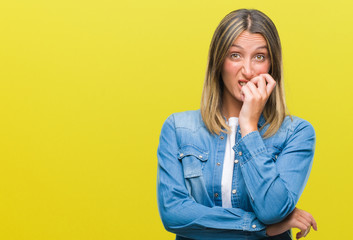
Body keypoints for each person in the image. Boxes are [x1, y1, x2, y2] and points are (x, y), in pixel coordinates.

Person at [157, 9, 317, 240]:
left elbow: (272, 210)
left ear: (272, 65)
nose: (249, 71)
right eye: (235, 55)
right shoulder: (178, 128)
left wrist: (249, 126)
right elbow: (174, 214)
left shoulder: (297, 133)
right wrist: (260, 228)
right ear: (218, 62)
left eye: (259, 57)